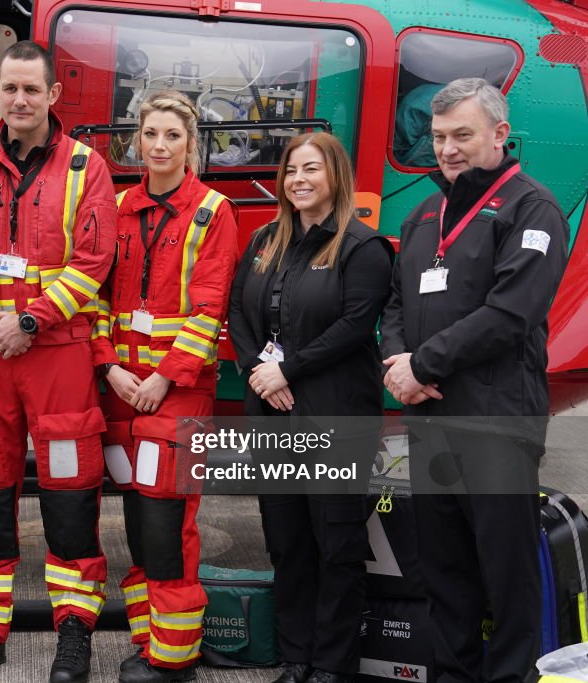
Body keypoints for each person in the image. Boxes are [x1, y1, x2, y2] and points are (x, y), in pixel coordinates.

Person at [0, 40, 118, 683]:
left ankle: (74, 631)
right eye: (10, 88)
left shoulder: (86, 167)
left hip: (56, 352)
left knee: (70, 492)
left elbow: (94, 260)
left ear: (52, 95)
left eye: (31, 89)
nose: (19, 100)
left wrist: (30, 321)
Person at [380, 78, 569, 683]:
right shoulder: (422, 214)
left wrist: (422, 365)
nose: (447, 149)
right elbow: (395, 304)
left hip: (495, 421)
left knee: (506, 572)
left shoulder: (531, 208)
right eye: (439, 137)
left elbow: (510, 313)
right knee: (443, 569)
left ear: (499, 134)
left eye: (462, 134)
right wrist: (398, 364)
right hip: (429, 419)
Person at [227, 132, 393, 683]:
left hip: (335, 416)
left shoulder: (362, 246)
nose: (299, 180)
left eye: (311, 169)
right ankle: (296, 657)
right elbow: (238, 311)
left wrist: (288, 370)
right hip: (271, 410)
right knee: (287, 542)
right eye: (292, 170)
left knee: (336, 545)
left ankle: (332, 665)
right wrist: (260, 370)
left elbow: (354, 324)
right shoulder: (264, 240)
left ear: (335, 176)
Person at [93, 90, 239, 683]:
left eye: (172, 136)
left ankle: (174, 659)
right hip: (121, 389)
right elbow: (97, 296)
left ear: (190, 144)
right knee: (134, 516)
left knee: (167, 523)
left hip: (176, 392)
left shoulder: (213, 211)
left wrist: (162, 377)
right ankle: (147, 640)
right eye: (150, 134)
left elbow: (209, 309)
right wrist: (109, 366)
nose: (159, 145)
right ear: (137, 140)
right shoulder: (118, 207)